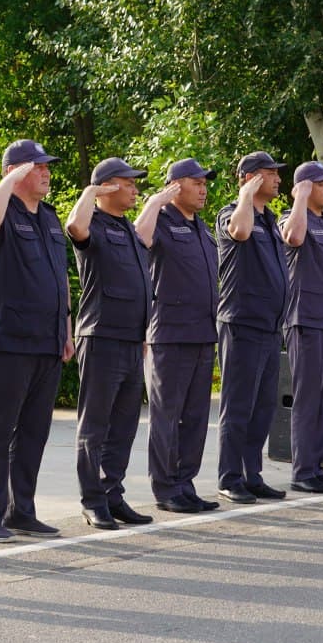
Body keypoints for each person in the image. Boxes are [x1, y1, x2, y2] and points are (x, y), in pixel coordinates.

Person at [0, 139, 74, 543]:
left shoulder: (48, 217)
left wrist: (65, 329)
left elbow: (60, 278)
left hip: (46, 341)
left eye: (48, 166)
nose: (47, 172)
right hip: (7, 340)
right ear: (13, 171)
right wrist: (10, 181)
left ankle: (21, 511)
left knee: (33, 432)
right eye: (38, 166)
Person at [66, 157, 155, 530]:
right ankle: (92, 500)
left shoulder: (127, 230)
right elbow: (74, 226)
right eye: (128, 182)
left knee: (124, 425)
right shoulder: (94, 224)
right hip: (101, 336)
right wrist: (90, 192)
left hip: (132, 339)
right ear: (106, 187)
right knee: (96, 424)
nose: (135, 189)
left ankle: (112, 494)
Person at [136, 158, 220, 514]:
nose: (203, 189)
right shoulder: (162, 222)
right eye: (195, 182)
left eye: (205, 183)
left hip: (203, 333)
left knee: (197, 416)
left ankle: (185, 483)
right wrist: (155, 201)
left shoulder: (202, 229)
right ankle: (165, 487)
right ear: (174, 186)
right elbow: (138, 236)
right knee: (166, 415)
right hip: (169, 334)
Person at [214, 152, 291, 503]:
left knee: (262, 407)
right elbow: (240, 232)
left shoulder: (271, 219)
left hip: (269, 326)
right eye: (269, 173)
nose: (277, 179)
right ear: (250, 177)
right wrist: (246, 193)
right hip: (242, 322)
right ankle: (230, 477)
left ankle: (252, 474)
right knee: (239, 405)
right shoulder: (232, 213)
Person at [279, 161, 323, 494]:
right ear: (305, 186)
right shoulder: (295, 219)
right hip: (306, 321)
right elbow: (292, 237)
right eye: (320, 183)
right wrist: (299, 198)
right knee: (309, 399)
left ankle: (316, 466)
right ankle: (302, 471)